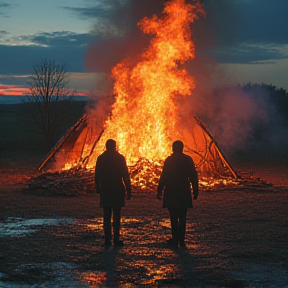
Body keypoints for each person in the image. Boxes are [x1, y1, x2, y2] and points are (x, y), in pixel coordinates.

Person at [157, 140, 198, 248]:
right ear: (182, 148)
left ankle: (175, 239)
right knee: (183, 217)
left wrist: (159, 190)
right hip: (184, 191)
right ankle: (181, 240)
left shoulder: (169, 160)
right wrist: (195, 190)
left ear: (173, 148)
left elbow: (164, 176)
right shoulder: (187, 160)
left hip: (171, 191)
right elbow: (193, 175)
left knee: (173, 218)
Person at [94, 139, 132, 247]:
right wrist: (128, 189)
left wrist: (97, 187)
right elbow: (125, 174)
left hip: (105, 189)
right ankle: (116, 239)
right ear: (115, 146)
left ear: (106, 147)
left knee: (106, 215)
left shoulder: (101, 158)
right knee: (117, 215)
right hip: (117, 189)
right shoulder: (120, 158)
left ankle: (107, 239)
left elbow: (97, 175)